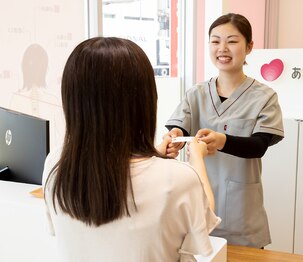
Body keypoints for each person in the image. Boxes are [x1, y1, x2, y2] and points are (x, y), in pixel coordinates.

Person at [42, 37, 220, 262]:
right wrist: (197, 158)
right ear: (144, 101)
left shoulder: (56, 164)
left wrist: (152, 155)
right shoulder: (178, 179)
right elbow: (204, 220)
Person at [165, 13, 284, 248]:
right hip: (198, 207)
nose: (223, 48)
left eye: (232, 41)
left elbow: (258, 146)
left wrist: (222, 140)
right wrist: (175, 135)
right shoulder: (196, 93)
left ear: (249, 46)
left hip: (242, 215)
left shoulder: (264, 96)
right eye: (215, 41)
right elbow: (178, 125)